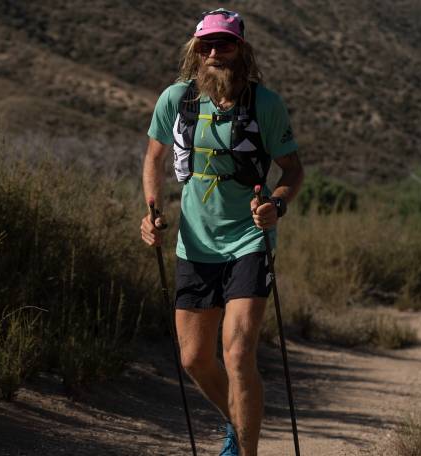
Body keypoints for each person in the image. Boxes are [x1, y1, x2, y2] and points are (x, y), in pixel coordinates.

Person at [140, 8, 304, 456]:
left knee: (237, 353)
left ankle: (245, 452)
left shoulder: (265, 104)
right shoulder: (176, 99)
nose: (215, 52)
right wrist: (151, 212)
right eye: (207, 45)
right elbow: (153, 159)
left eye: (225, 44)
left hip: (249, 241)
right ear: (195, 51)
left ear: (241, 50)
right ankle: (238, 422)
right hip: (194, 244)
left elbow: (292, 169)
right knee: (193, 359)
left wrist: (277, 204)